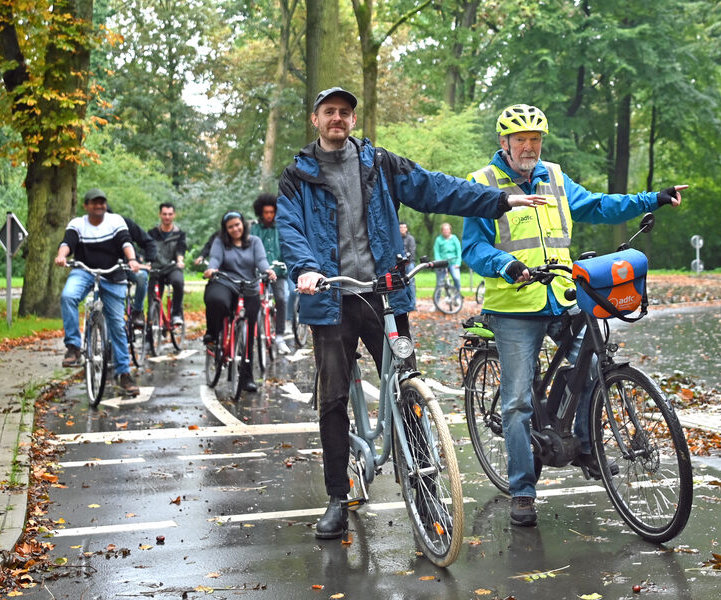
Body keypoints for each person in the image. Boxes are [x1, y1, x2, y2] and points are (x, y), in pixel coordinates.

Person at [277, 86, 547, 541]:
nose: (338, 118)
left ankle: (422, 490)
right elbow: (290, 227)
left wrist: (499, 200)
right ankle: (337, 498)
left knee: (407, 390)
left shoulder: (379, 164)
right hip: (329, 297)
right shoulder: (297, 175)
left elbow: (438, 188)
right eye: (330, 112)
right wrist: (305, 269)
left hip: (384, 293)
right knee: (333, 399)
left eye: (345, 112)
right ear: (316, 119)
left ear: (353, 120)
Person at [463, 104, 686, 528]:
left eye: (535, 139)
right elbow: (473, 247)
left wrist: (652, 198)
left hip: (564, 296)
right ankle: (523, 491)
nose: (529, 147)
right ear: (504, 144)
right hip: (514, 306)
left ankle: (585, 445)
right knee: (516, 403)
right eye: (521, 140)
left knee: (591, 364)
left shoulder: (556, 177)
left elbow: (601, 206)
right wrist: (504, 265)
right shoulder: (483, 184)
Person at [54, 188, 143, 396]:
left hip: (112, 275)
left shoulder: (115, 221)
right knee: (68, 296)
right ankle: (74, 347)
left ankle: (124, 374)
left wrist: (131, 259)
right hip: (84, 271)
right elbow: (67, 242)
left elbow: (125, 242)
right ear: (86, 206)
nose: (99, 206)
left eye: (102, 202)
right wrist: (61, 256)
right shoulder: (78, 224)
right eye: (94, 202)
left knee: (118, 327)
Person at [203, 211, 275, 394]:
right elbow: (215, 259)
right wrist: (212, 269)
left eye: (237, 224)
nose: (235, 229)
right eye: (230, 227)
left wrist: (267, 271)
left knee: (250, 331)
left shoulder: (254, 242)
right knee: (216, 300)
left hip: (249, 286)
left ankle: (247, 377)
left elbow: (261, 261)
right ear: (225, 229)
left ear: (243, 224)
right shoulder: (220, 242)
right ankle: (213, 334)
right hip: (226, 282)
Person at [251, 194, 292, 355]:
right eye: (266, 212)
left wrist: (284, 264)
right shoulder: (254, 228)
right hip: (257, 272)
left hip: (278, 272)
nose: (269, 215)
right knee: (252, 300)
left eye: (272, 212)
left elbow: (286, 248)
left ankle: (280, 336)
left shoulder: (281, 228)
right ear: (260, 212)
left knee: (281, 299)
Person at [108, 205, 158, 326]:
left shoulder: (125, 224)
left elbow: (148, 242)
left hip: (129, 266)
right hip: (106, 270)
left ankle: (137, 311)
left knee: (142, 276)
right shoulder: (91, 228)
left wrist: (148, 261)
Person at [146, 202, 187, 336]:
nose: (167, 217)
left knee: (178, 282)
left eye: (170, 214)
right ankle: (151, 329)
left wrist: (180, 260)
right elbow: (146, 248)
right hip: (156, 269)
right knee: (152, 299)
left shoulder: (179, 233)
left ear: (174, 215)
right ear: (160, 215)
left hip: (172, 268)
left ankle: (176, 314)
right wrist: (145, 262)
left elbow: (181, 250)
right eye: (164, 214)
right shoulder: (152, 233)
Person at [432, 222, 462, 293]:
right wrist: (438, 262)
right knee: (440, 282)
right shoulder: (438, 239)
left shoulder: (454, 238)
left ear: (450, 230)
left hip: (453, 262)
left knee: (456, 278)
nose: (446, 231)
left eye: (447, 229)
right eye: (444, 230)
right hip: (442, 262)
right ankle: (437, 299)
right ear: (442, 231)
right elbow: (436, 251)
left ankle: (457, 296)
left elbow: (459, 250)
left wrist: (458, 263)